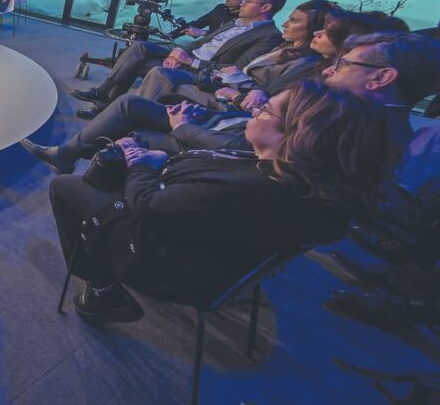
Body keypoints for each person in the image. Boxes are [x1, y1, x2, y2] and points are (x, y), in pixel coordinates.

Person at [49, 81, 387, 322]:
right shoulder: (303, 180)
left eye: (267, 109)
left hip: (165, 260)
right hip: (220, 254)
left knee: (66, 187)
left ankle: (102, 288)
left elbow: (150, 207)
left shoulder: (249, 187)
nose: (256, 108)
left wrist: (139, 163)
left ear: (298, 136)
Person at [21, 30, 440, 176]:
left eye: (344, 62)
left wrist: (186, 128)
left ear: (382, 78)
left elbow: (256, 161)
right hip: (225, 126)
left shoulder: (357, 127)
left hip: (216, 151)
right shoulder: (347, 109)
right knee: (133, 104)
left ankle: (101, 171)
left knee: (140, 122)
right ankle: (67, 154)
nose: (330, 69)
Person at [71, 0, 286, 111]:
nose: (241, 4)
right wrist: (177, 53)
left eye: (247, 1)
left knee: (139, 64)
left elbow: (235, 69)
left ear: (265, 8)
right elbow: (201, 42)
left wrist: (188, 61)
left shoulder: (268, 36)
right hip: (188, 57)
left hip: (201, 70)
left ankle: (105, 107)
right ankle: (102, 93)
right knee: (139, 47)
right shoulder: (236, 22)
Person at [134, 0, 334, 106]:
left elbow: (262, 90)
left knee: (159, 74)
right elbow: (202, 40)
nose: (285, 24)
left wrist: (234, 83)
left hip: (228, 89)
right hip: (217, 76)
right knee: (140, 51)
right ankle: (116, 99)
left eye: (294, 21)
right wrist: (178, 53)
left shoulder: (280, 44)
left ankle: (135, 112)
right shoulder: (284, 47)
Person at [177, 0, 258, 38]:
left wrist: (203, 32)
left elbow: (228, 37)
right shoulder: (220, 8)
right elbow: (196, 24)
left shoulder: (246, 18)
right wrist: (169, 35)